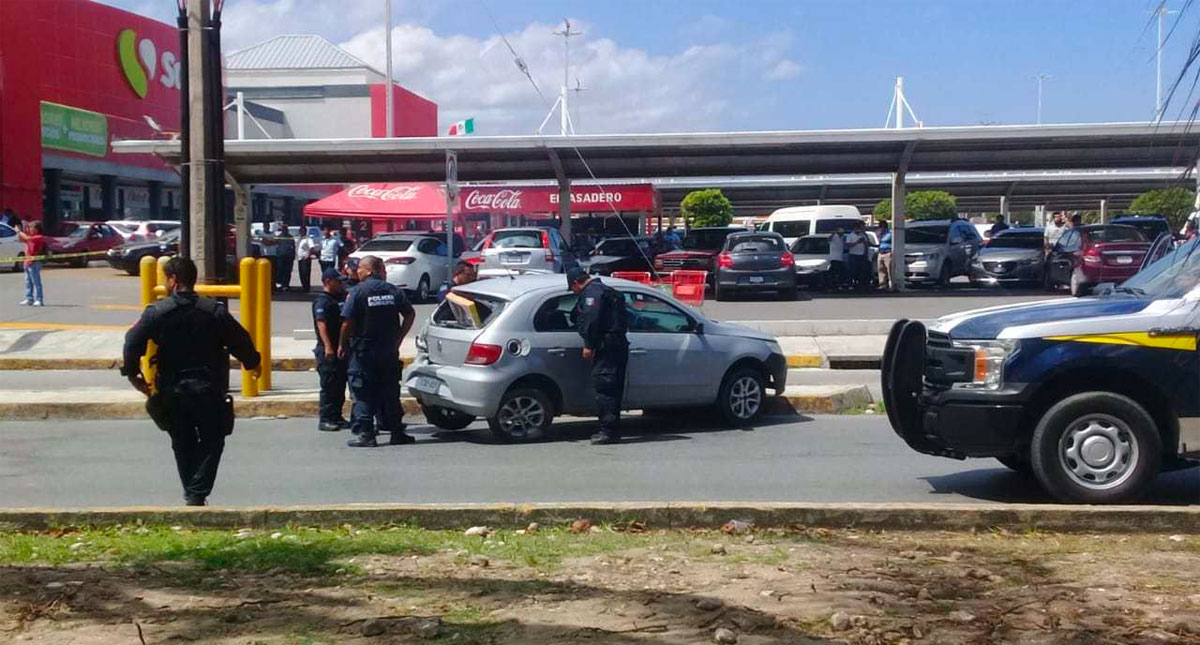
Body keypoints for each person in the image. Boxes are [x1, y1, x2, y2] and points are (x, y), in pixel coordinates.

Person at [121, 257, 261, 506]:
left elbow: (132, 341)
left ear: (173, 280)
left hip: (172, 389)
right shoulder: (213, 311)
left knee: (181, 441)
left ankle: (193, 493)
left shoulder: (158, 312)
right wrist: (253, 363)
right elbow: (240, 339)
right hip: (208, 388)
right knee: (213, 440)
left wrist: (134, 375)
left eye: (166, 278)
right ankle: (197, 493)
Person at [338, 255, 417, 448]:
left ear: (368, 271)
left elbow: (347, 321)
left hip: (364, 351)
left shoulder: (358, 291)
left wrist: (342, 344)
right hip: (388, 350)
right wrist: (399, 337)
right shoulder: (393, 290)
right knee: (390, 391)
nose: (357, 271)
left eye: (360, 269)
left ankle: (366, 434)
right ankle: (397, 432)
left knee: (363, 391)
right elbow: (410, 313)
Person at [568, 268, 629, 445]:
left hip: (606, 346)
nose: (573, 292)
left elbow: (591, 319)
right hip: (616, 345)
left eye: (572, 289)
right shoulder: (606, 291)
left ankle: (608, 432)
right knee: (613, 388)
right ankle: (612, 430)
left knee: (606, 388)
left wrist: (588, 344)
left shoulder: (592, 293)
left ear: (576, 283)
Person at [313, 269, 350, 432]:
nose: (341, 284)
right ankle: (326, 418)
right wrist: (328, 346)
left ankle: (337, 416)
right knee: (329, 386)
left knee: (340, 384)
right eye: (338, 281)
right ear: (328, 282)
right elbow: (322, 325)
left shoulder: (340, 298)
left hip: (341, 348)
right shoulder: (322, 301)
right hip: (327, 349)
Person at [16, 221, 47, 306]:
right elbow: (21, 239)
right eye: (29, 227)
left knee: (36, 281)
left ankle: (39, 299)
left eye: (32, 227)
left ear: (37, 229)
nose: (30, 229)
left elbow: (27, 238)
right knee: (28, 281)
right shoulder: (30, 236)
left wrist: (19, 231)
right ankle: (29, 298)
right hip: (27, 261)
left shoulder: (39, 237)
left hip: (35, 261)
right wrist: (21, 231)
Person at [845, 221, 869, 291]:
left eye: (859, 228)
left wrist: (864, 242)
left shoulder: (863, 235)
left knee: (862, 271)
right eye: (856, 228)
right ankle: (850, 284)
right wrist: (857, 242)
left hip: (862, 255)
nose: (858, 229)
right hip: (853, 255)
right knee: (852, 270)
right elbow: (848, 245)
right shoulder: (850, 236)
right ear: (854, 229)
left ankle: (860, 284)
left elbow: (867, 244)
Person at [274, 225, 296, 291]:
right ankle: (279, 285)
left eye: (285, 229)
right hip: (280, 256)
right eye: (283, 229)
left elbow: (293, 247)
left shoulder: (290, 237)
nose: (284, 230)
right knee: (280, 271)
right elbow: (275, 244)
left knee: (288, 271)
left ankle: (286, 285)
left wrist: (293, 255)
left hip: (289, 257)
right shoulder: (279, 237)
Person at [876, 221, 894, 292]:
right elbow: (878, 241)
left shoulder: (890, 233)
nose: (881, 228)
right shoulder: (879, 233)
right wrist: (879, 234)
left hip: (887, 252)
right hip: (881, 252)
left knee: (889, 269)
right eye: (880, 226)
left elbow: (886, 240)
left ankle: (891, 285)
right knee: (881, 269)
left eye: (882, 226)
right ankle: (882, 284)